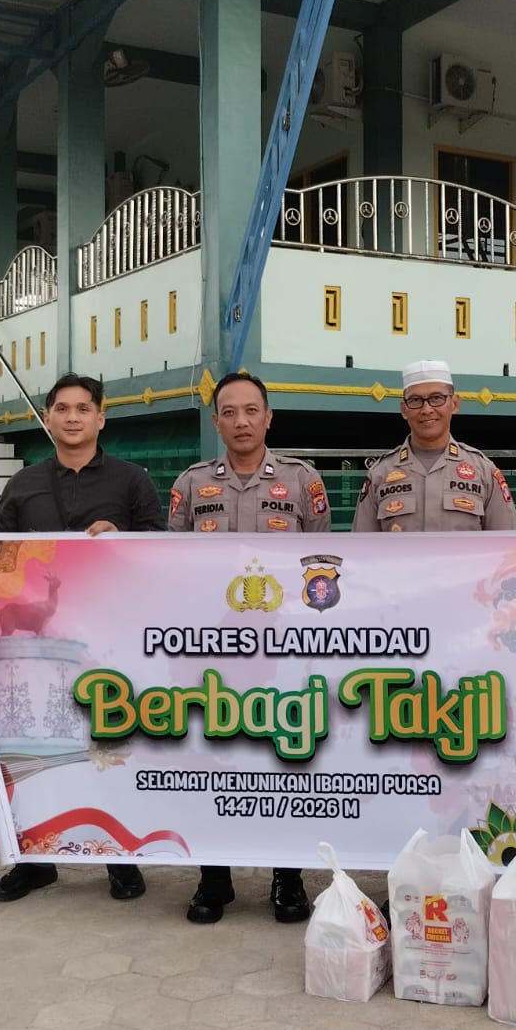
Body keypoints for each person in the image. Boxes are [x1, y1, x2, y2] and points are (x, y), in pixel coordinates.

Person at [0, 373, 165, 905]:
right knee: (31, 748)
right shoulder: (23, 483)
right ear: (47, 417)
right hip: (35, 649)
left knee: (108, 746)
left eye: (83, 408)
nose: (72, 417)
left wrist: (126, 541)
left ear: (100, 418)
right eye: (62, 408)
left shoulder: (131, 480)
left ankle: (119, 858)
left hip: (109, 644)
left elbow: (163, 552)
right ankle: (35, 859)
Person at [167, 371, 330, 926]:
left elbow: (325, 571)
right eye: (229, 412)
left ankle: (288, 876)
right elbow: (172, 567)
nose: (241, 421)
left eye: (251, 410)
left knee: (288, 758)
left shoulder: (303, 481)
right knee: (214, 757)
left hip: (286, 648)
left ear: (268, 417)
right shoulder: (190, 485)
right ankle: (214, 878)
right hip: (212, 650)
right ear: (216, 421)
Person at [351, 359, 516, 533]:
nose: (426, 409)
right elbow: (361, 549)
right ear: (403, 409)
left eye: (436, 398)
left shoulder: (484, 472)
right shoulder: (380, 474)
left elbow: (509, 546)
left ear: (454, 403)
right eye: (415, 400)